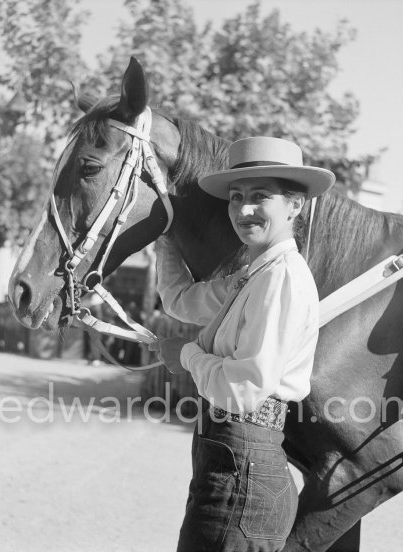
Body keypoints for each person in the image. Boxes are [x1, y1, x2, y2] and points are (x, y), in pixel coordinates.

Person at [150, 136, 335, 552]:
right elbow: (181, 300)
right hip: (232, 465)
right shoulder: (254, 275)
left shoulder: (281, 277)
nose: (243, 210)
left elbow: (244, 389)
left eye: (259, 196)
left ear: (295, 204)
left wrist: (186, 354)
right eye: (235, 197)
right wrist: (166, 238)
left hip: (244, 474)